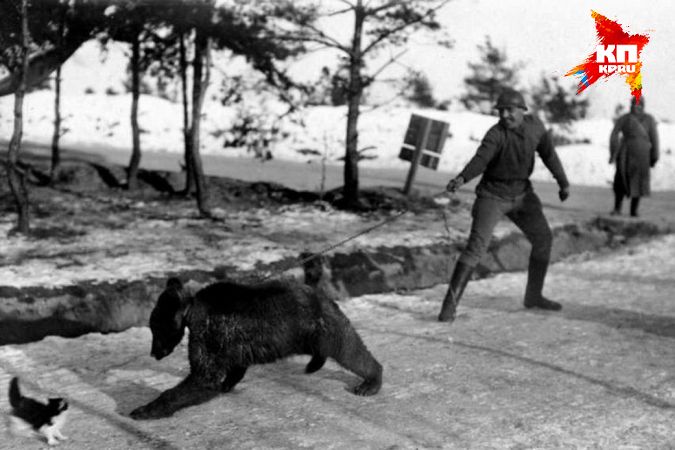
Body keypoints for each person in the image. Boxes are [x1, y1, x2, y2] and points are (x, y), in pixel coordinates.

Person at [438, 88, 570, 323]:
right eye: (501, 111)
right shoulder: (495, 134)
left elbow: (549, 155)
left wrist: (562, 182)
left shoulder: (536, 127)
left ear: (522, 110)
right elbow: (480, 160)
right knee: (475, 248)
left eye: (510, 110)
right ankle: (449, 307)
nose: (505, 115)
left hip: (522, 194)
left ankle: (533, 296)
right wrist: (461, 178)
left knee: (543, 239)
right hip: (492, 196)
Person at [609, 97, 659, 217]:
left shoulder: (649, 119)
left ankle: (634, 210)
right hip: (625, 154)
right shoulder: (625, 118)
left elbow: (654, 139)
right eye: (634, 104)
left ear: (643, 105)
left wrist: (654, 157)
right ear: (630, 105)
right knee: (620, 180)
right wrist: (614, 151)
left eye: (639, 104)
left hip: (642, 155)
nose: (636, 107)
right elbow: (614, 134)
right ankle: (617, 208)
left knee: (639, 182)